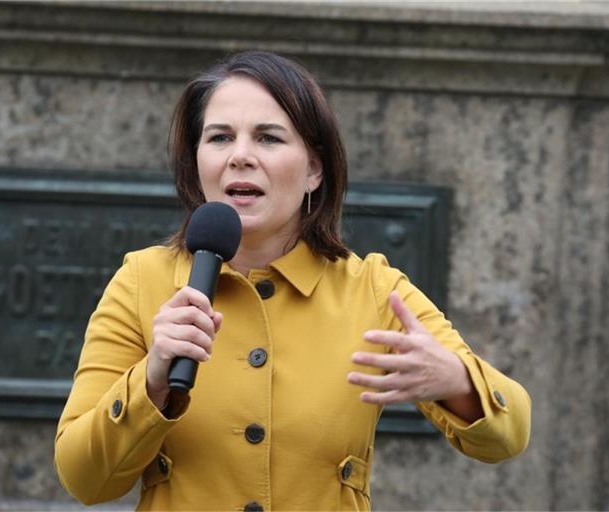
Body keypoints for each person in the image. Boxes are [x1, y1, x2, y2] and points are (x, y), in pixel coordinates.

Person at [54, 51, 531, 511]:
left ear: (314, 169)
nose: (240, 156)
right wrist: (152, 380)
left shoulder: (371, 289)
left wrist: (455, 381)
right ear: (196, 162)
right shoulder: (143, 280)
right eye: (219, 138)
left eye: (268, 138)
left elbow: (510, 434)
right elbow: (83, 478)